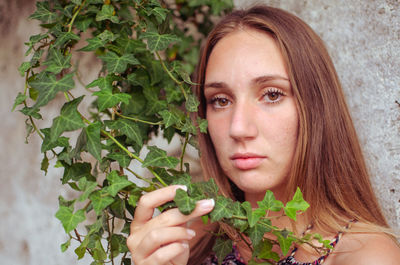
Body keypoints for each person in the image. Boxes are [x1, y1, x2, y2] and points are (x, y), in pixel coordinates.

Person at [127, 5, 400, 265]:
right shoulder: (189, 239)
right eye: (220, 100)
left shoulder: (365, 256)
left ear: (316, 108)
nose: (238, 128)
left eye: (272, 94)